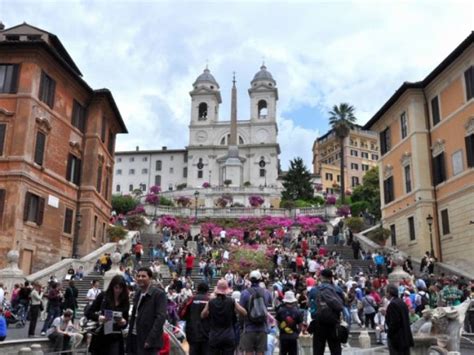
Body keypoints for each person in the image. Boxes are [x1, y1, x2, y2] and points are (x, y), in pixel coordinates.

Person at [127, 267, 167, 355]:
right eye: (138, 276)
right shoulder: (137, 293)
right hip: (135, 337)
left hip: (148, 340)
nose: (140, 278)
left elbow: (160, 318)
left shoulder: (159, 294)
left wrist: (150, 339)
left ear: (150, 278)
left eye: (143, 276)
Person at [201, 279, 247, 355]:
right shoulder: (231, 301)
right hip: (228, 336)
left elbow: (203, 315)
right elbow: (244, 312)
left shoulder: (211, 302)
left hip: (214, 335)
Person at [87, 275, 130, 355]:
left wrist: (124, 322)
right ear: (112, 286)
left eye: (120, 288)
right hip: (102, 335)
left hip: (116, 336)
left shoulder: (125, 301)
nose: (118, 290)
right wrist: (99, 317)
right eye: (116, 287)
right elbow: (88, 313)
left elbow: (126, 321)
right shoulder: (103, 296)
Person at [308, 269, 344, 355]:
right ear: (331, 277)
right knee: (335, 349)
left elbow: (311, 305)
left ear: (321, 277)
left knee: (318, 350)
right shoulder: (338, 289)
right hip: (333, 322)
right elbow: (341, 304)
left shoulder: (314, 290)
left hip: (318, 322)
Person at [239, 270, 272, 355]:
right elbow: (268, 304)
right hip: (262, 327)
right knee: (260, 352)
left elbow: (241, 311)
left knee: (248, 352)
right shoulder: (266, 292)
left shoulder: (245, 293)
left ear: (250, 279)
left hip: (249, 327)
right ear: (260, 279)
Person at [180, 282, 210, 355]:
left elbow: (182, 315)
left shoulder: (190, 300)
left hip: (193, 333)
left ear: (197, 289)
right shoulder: (210, 300)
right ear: (207, 291)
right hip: (207, 334)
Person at [385, 284, 414, 355]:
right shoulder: (402, 302)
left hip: (397, 339)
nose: (385, 294)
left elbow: (394, 322)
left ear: (389, 292)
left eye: (386, 292)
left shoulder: (393, 304)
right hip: (405, 336)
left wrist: (390, 333)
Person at [275, 291, 304, 355]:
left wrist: (282, 329)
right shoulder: (297, 311)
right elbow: (300, 325)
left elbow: (277, 322)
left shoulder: (280, 310)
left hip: (283, 336)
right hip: (293, 337)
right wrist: (297, 333)